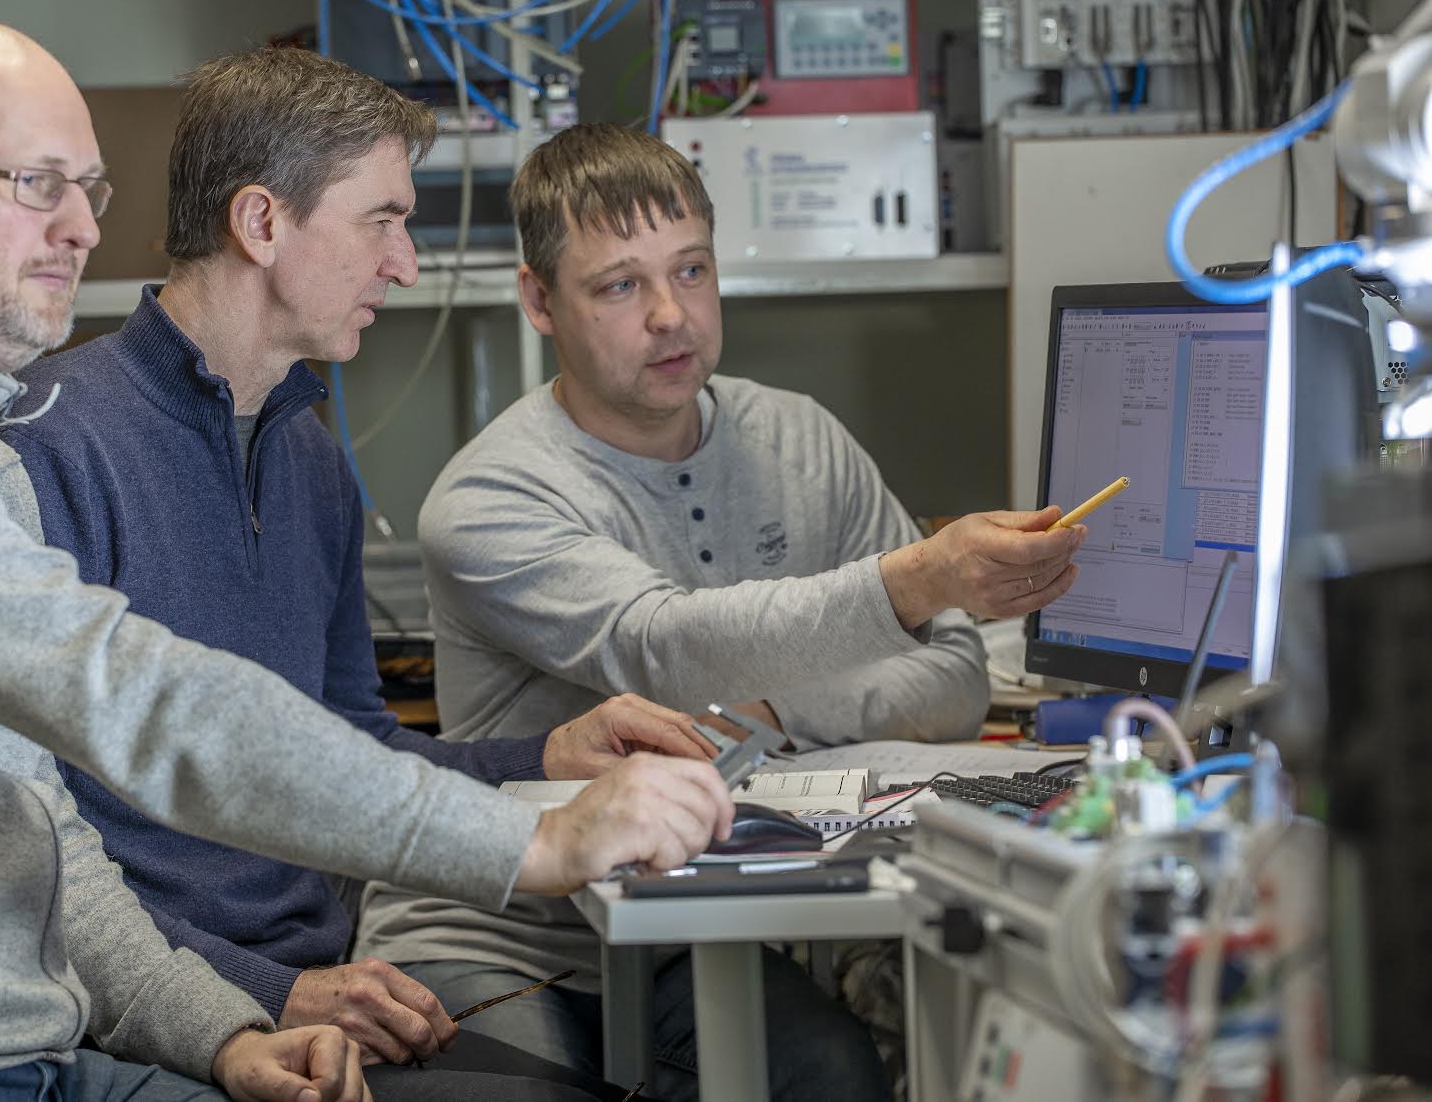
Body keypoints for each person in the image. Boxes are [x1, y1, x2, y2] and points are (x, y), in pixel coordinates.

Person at [0, 21, 735, 1102]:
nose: (80, 226)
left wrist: (220, 1030)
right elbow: (132, 698)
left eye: (89, 189)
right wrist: (531, 842)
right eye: (36, 187)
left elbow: (38, 828)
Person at [0, 47, 714, 1101]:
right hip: (158, 1010)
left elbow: (349, 748)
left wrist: (546, 752)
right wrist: (262, 995)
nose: (405, 261)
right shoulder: (50, 449)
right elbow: (29, 841)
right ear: (262, 224)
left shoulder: (307, 451)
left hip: (320, 977)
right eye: (382, 219)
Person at [354, 122, 1088, 1101]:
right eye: (620, 285)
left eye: (691, 270)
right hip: (499, 932)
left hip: (692, 935)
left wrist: (773, 716)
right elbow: (668, 649)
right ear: (539, 300)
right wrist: (917, 579)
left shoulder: (803, 443)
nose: (672, 315)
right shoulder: (489, 498)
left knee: (836, 1076)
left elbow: (955, 680)